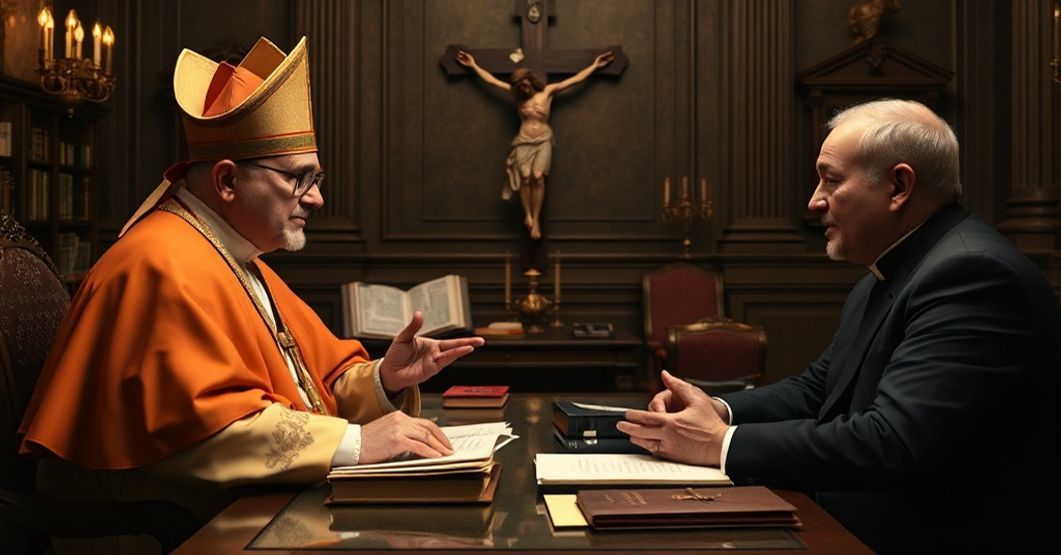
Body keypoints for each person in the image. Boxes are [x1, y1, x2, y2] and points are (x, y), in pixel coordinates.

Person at [18, 36, 484, 553]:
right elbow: (201, 433)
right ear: (226, 181)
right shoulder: (158, 263)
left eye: (317, 176)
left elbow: (307, 385)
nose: (318, 197)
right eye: (299, 178)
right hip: (153, 519)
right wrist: (357, 441)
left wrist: (384, 379)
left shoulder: (232, 254)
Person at [618, 99, 1060, 553]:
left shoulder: (972, 274)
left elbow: (895, 442)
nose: (814, 201)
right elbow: (819, 389)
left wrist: (720, 443)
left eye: (831, 179)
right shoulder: (892, 270)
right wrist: (717, 409)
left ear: (898, 185)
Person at [456, 50, 614, 239]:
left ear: (531, 81)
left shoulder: (547, 92)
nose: (524, 89)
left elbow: (574, 80)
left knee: (538, 176)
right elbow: (492, 81)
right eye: (520, 87)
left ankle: (536, 219)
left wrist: (595, 66)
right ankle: (528, 215)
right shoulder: (516, 96)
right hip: (523, 140)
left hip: (543, 139)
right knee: (524, 177)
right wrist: (473, 65)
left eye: (525, 85)